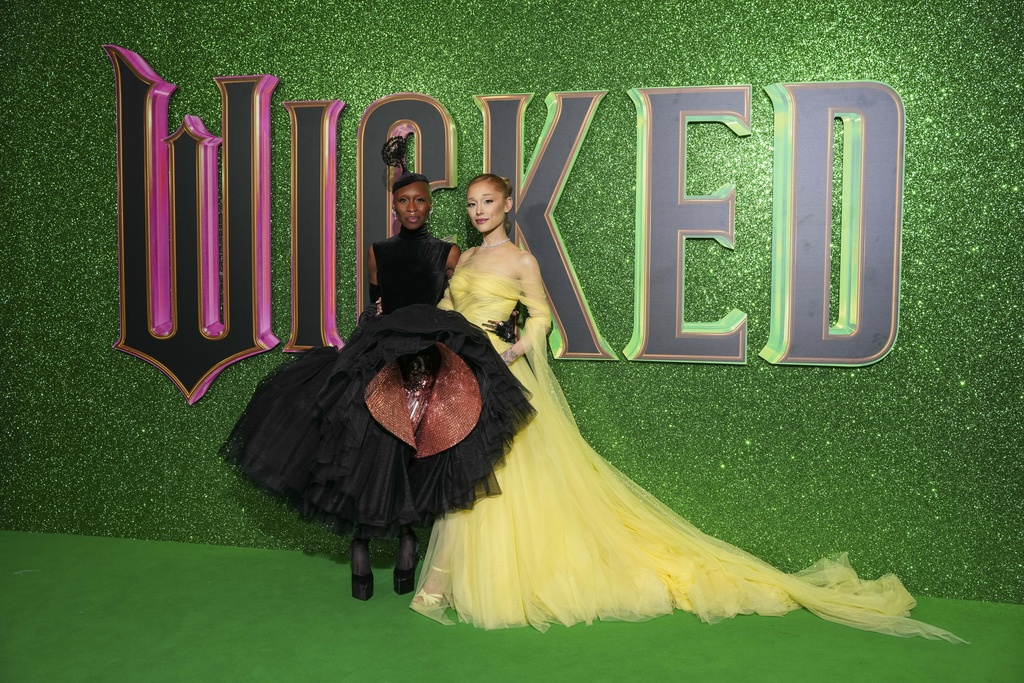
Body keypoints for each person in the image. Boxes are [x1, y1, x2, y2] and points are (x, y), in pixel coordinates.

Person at [409, 173, 963, 642]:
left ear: (507, 205)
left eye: (488, 202)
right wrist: (427, 333)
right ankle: (448, 581)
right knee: (465, 472)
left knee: (494, 474)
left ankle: (451, 583)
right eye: (473, 203)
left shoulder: (520, 260)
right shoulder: (467, 259)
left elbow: (542, 316)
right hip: (463, 375)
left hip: (500, 375)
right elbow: (446, 307)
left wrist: (517, 346)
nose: (479, 211)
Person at [222, 149, 533, 601]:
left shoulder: (451, 254)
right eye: (403, 200)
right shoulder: (377, 252)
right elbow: (379, 300)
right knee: (363, 443)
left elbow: (465, 298)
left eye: (420, 200)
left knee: (414, 448)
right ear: (394, 206)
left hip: (429, 355)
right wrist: (372, 326)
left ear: (430, 204)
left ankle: (408, 543)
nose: (412, 207)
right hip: (381, 348)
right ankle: (360, 549)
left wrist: (506, 325)